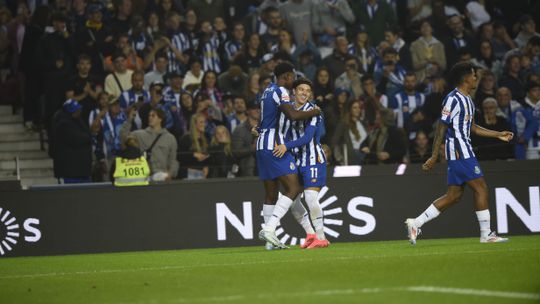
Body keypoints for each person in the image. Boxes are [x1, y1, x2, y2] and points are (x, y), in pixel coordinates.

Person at [405, 63, 514, 245]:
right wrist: (433, 156)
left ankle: (416, 223)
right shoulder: (453, 99)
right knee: (481, 188)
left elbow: (472, 128)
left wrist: (498, 134)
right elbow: (441, 127)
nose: (475, 78)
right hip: (459, 151)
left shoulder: (468, 100)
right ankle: (486, 234)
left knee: (453, 196)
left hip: (463, 149)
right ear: (465, 78)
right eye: (473, 75)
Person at [256, 62, 321, 249]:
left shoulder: (266, 91)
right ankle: (269, 229)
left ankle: (270, 243)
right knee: (294, 187)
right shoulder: (281, 91)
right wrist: (314, 111)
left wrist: (257, 129)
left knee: (270, 194)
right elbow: (292, 115)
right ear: (285, 76)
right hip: (275, 145)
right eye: (292, 76)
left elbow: (263, 119)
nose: (293, 80)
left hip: (261, 144)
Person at [273, 78, 329, 249]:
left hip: (313, 159)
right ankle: (310, 234)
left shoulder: (314, 111)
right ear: (294, 92)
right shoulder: (287, 110)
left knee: (310, 197)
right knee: (294, 201)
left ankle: (321, 237)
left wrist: (285, 146)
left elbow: (307, 138)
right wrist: (259, 130)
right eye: (301, 89)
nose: (304, 93)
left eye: (307, 90)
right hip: (296, 161)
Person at [120, 107, 178, 181]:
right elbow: (123, 137)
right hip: (143, 176)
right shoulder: (140, 134)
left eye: (153, 116)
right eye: (149, 116)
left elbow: (173, 160)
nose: (150, 118)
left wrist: (170, 174)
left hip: (161, 176)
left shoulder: (170, 138)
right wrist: (129, 120)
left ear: (160, 119)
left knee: (161, 176)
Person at [52, 99, 92, 184]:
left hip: (82, 172)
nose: (79, 111)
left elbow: (87, 135)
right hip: (69, 174)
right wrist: (88, 137)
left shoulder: (78, 120)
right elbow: (77, 139)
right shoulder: (62, 124)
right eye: (76, 110)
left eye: (79, 109)